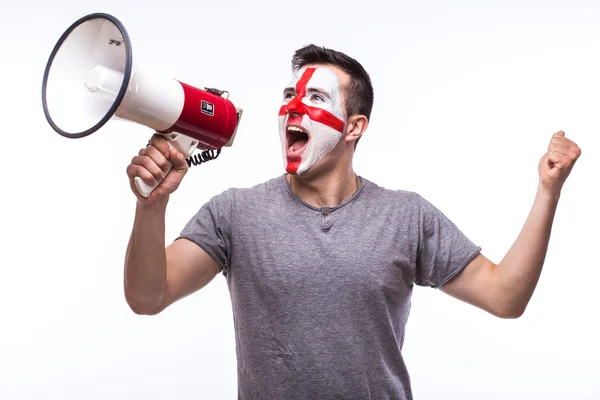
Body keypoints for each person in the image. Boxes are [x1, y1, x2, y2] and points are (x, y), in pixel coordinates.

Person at [123, 45, 581, 399]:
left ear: (355, 127)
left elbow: (506, 297)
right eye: (289, 97)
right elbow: (147, 296)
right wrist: (152, 206)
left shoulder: (407, 216)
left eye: (315, 97)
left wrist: (548, 192)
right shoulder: (234, 213)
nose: (294, 109)